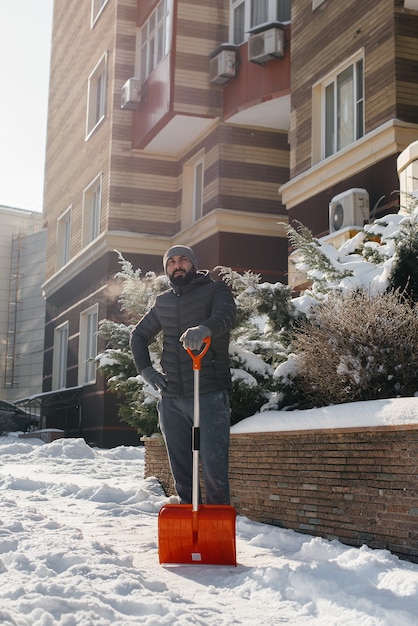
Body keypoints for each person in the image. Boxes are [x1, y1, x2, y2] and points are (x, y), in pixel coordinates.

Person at [130, 245, 236, 505]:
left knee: (214, 471)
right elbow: (139, 336)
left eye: (183, 260)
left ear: (193, 264)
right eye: (171, 262)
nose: (177, 266)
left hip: (209, 393)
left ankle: (214, 533)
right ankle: (188, 530)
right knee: (182, 474)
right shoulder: (163, 302)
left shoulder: (215, 290)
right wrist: (147, 372)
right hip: (172, 399)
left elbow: (226, 315)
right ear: (167, 269)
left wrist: (204, 328)